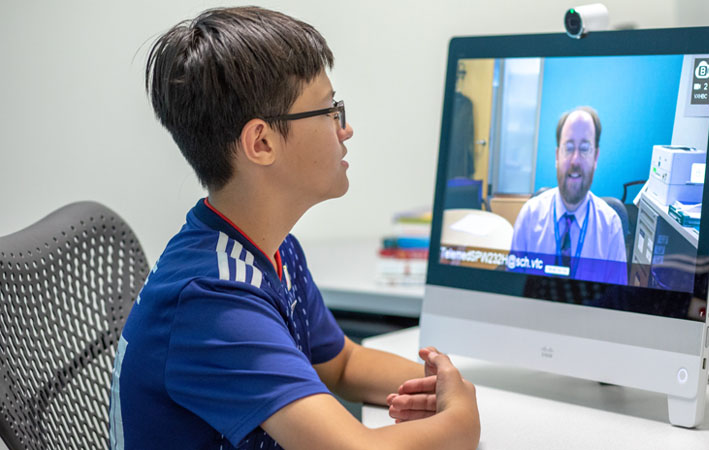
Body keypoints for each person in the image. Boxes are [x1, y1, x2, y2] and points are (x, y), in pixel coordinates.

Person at [108, 7, 479, 450]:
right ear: (261, 143)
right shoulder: (212, 301)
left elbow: (341, 363)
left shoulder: (272, 249)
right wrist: (462, 416)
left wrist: (444, 384)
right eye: (329, 110)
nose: (345, 129)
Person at [510, 106, 627, 285]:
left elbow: (616, 303)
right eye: (569, 148)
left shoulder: (611, 228)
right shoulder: (529, 216)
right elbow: (513, 289)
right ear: (557, 155)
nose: (575, 160)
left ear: (595, 157)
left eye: (585, 149)